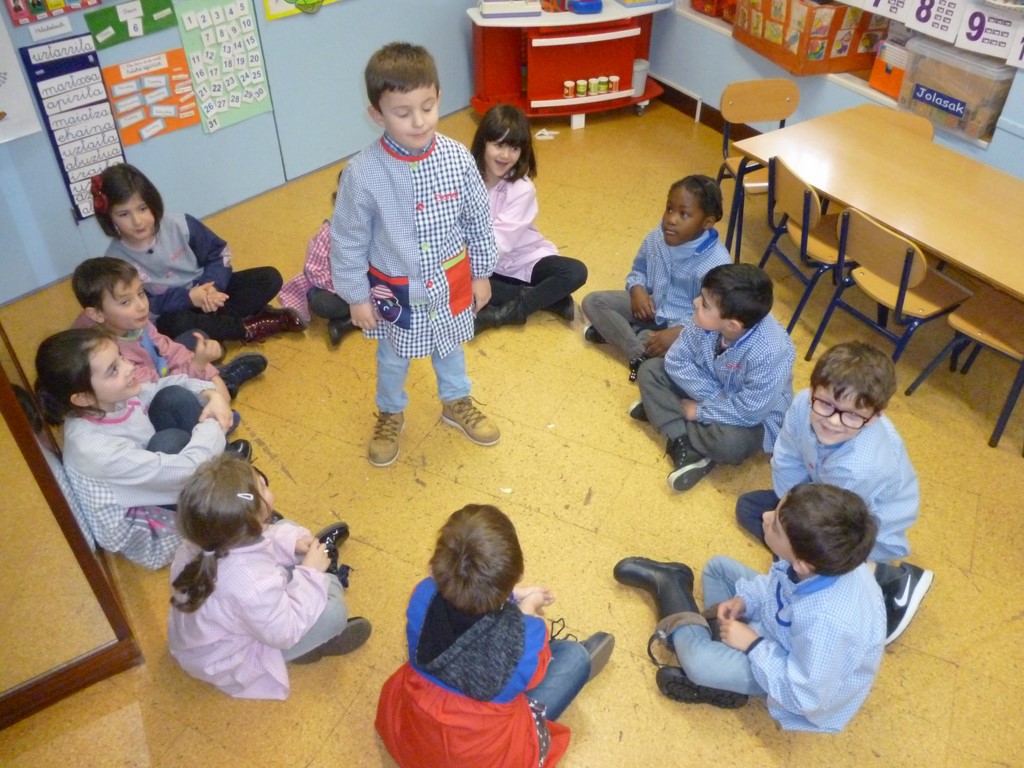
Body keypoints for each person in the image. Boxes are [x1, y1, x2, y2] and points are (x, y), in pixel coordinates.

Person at [329, 42, 501, 468]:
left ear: (439, 96)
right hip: (396, 290)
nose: (419, 121)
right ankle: (390, 412)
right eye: (402, 113)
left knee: (451, 345)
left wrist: (481, 273)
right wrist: (356, 296)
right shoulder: (362, 173)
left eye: (427, 107)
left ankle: (456, 401)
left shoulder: (458, 159)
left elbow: (478, 220)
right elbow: (347, 239)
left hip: (449, 282)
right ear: (377, 115)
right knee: (393, 356)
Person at [614, 483, 885, 733]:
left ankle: (669, 585)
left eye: (775, 526)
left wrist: (752, 645)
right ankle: (717, 659)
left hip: (789, 677)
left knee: (698, 664)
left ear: (802, 564)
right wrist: (746, 601)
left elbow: (804, 695)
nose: (765, 516)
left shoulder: (827, 623)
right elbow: (776, 584)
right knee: (717, 568)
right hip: (781, 629)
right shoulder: (820, 561)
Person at [376, 503, 615, 768]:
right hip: (482, 755)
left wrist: (514, 597)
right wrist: (528, 609)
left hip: (413, 741)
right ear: (518, 575)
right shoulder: (528, 636)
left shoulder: (422, 595)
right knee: (574, 657)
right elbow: (531, 669)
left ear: (434, 568)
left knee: (528, 667)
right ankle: (580, 660)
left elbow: (460, 597)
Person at [735, 341, 932, 645]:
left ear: (875, 416)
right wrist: (790, 508)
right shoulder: (803, 405)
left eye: (852, 415)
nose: (832, 421)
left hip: (862, 527)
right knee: (751, 509)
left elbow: (833, 525)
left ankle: (887, 581)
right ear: (813, 390)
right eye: (825, 404)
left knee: (806, 563)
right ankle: (804, 561)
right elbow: (787, 456)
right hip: (822, 492)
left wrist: (793, 533)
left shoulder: (862, 466)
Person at [33, 327, 250, 569]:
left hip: (150, 478)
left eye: (120, 356)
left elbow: (165, 384)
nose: (128, 367)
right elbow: (187, 470)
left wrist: (211, 394)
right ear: (83, 398)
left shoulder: (106, 399)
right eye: (113, 369)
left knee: (171, 396)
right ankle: (235, 509)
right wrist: (213, 422)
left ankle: (226, 469)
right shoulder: (94, 449)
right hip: (153, 529)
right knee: (170, 442)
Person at [167, 455, 371, 699]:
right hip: (238, 659)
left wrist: (292, 542)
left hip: (213, 641)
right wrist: (313, 573)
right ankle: (317, 638)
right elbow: (285, 631)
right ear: (248, 525)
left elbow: (262, 540)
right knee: (333, 610)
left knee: (286, 528)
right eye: (262, 485)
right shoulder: (252, 585)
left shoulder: (203, 538)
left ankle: (312, 561)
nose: (266, 485)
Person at [91, 163, 306, 344]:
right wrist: (188, 298)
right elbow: (145, 305)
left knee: (269, 277)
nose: (137, 221)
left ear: (153, 203)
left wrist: (211, 288)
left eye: (142, 209)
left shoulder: (180, 224)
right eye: (123, 214)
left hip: (210, 292)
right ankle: (244, 328)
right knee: (172, 325)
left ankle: (214, 330)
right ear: (109, 218)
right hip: (177, 311)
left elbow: (219, 254)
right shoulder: (116, 261)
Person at [632, 263, 795, 492]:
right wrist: (712, 401)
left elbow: (750, 411)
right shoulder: (705, 319)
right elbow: (676, 360)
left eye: (704, 304)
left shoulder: (772, 351)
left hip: (752, 418)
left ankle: (665, 415)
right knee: (650, 370)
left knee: (732, 444)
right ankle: (684, 441)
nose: (695, 302)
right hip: (711, 389)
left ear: (732, 325)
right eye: (701, 297)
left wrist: (700, 411)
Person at [581, 175, 730, 381]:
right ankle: (639, 353)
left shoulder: (717, 264)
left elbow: (716, 319)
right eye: (669, 209)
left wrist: (680, 331)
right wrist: (637, 289)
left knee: (684, 354)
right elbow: (638, 269)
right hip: (652, 307)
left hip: (684, 325)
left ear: (707, 222)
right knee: (593, 302)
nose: (671, 219)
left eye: (684, 214)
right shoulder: (656, 237)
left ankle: (628, 336)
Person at [71, 257, 268, 401]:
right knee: (179, 401)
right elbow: (158, 389)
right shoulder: (110, 356)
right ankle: (224, 379)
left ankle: (219, 378)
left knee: (195, 339)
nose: (141, 306)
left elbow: (167, 349)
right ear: (96, 314)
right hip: (145, 399)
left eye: (141, 293)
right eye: (125, 302)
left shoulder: (129, 321)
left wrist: (210, 375)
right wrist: (199, 365)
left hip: (156, 373)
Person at [468, 104, 587, 332]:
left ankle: (505, 314)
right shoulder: (465, 178)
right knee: (446, 278)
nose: (505, 155)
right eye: (499, 145)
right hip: (483, 266)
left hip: (522, 259)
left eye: (514, 148)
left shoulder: (522, 189)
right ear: (483, 142)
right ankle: (549, 299)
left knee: (575, 271)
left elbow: (498, 244)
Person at [278, 169, 355, 347]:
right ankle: (359, 316)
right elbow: (314, 270)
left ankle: (349, 322)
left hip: (364, 282)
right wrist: (342, 287)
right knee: (323, 304)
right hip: (333, 287)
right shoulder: (329, 232)